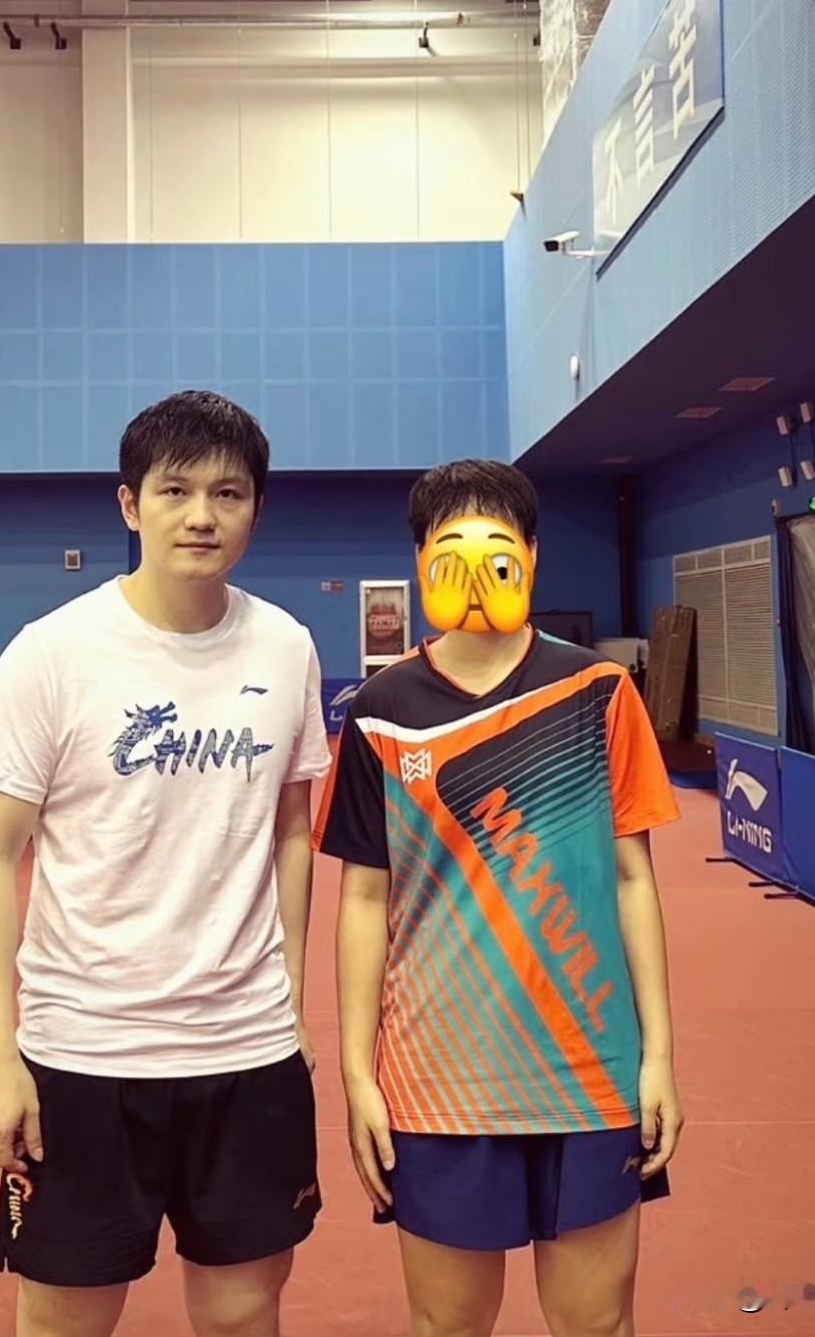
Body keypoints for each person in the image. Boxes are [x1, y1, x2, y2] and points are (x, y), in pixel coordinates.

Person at [0, 390, 332, 1337]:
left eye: (228, 493)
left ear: (256, 509)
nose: (202, 515)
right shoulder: (52, 653)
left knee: (244, 1310)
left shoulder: (286, 646)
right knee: (66, 1317)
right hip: (83, 1055)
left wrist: (290, 1000)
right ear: (131, 504)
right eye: (175, 490)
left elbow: (291, 831)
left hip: (246, 1051)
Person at [313, 458, 684, 1337]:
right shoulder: (380, 710)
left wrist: (659, 1055)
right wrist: (360, 1074)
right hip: (437, 1082)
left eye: (499, 548)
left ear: (531, 555)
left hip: (590, 1073)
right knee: (448, 1324)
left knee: (596, 1322)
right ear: (421, 561)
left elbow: (633, 877)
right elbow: (362, 901)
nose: (477, 573)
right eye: (451, 551)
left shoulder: (597, 691)